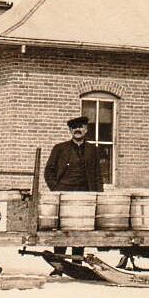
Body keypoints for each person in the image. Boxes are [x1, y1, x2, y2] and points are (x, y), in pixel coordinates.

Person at [44, 116, 104, 276]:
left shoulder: (93, 150)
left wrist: (98, 195)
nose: (78, 130)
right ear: (70, 130)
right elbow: (48, 171)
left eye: (81, 127)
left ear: (86, 129)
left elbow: (98, 175)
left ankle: (77, 263)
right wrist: (55, 189)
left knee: (81, 228)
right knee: (62, 229)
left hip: (85, 195)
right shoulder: (59, 148)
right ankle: (58, 266)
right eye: (74, 127)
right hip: (63, 194)